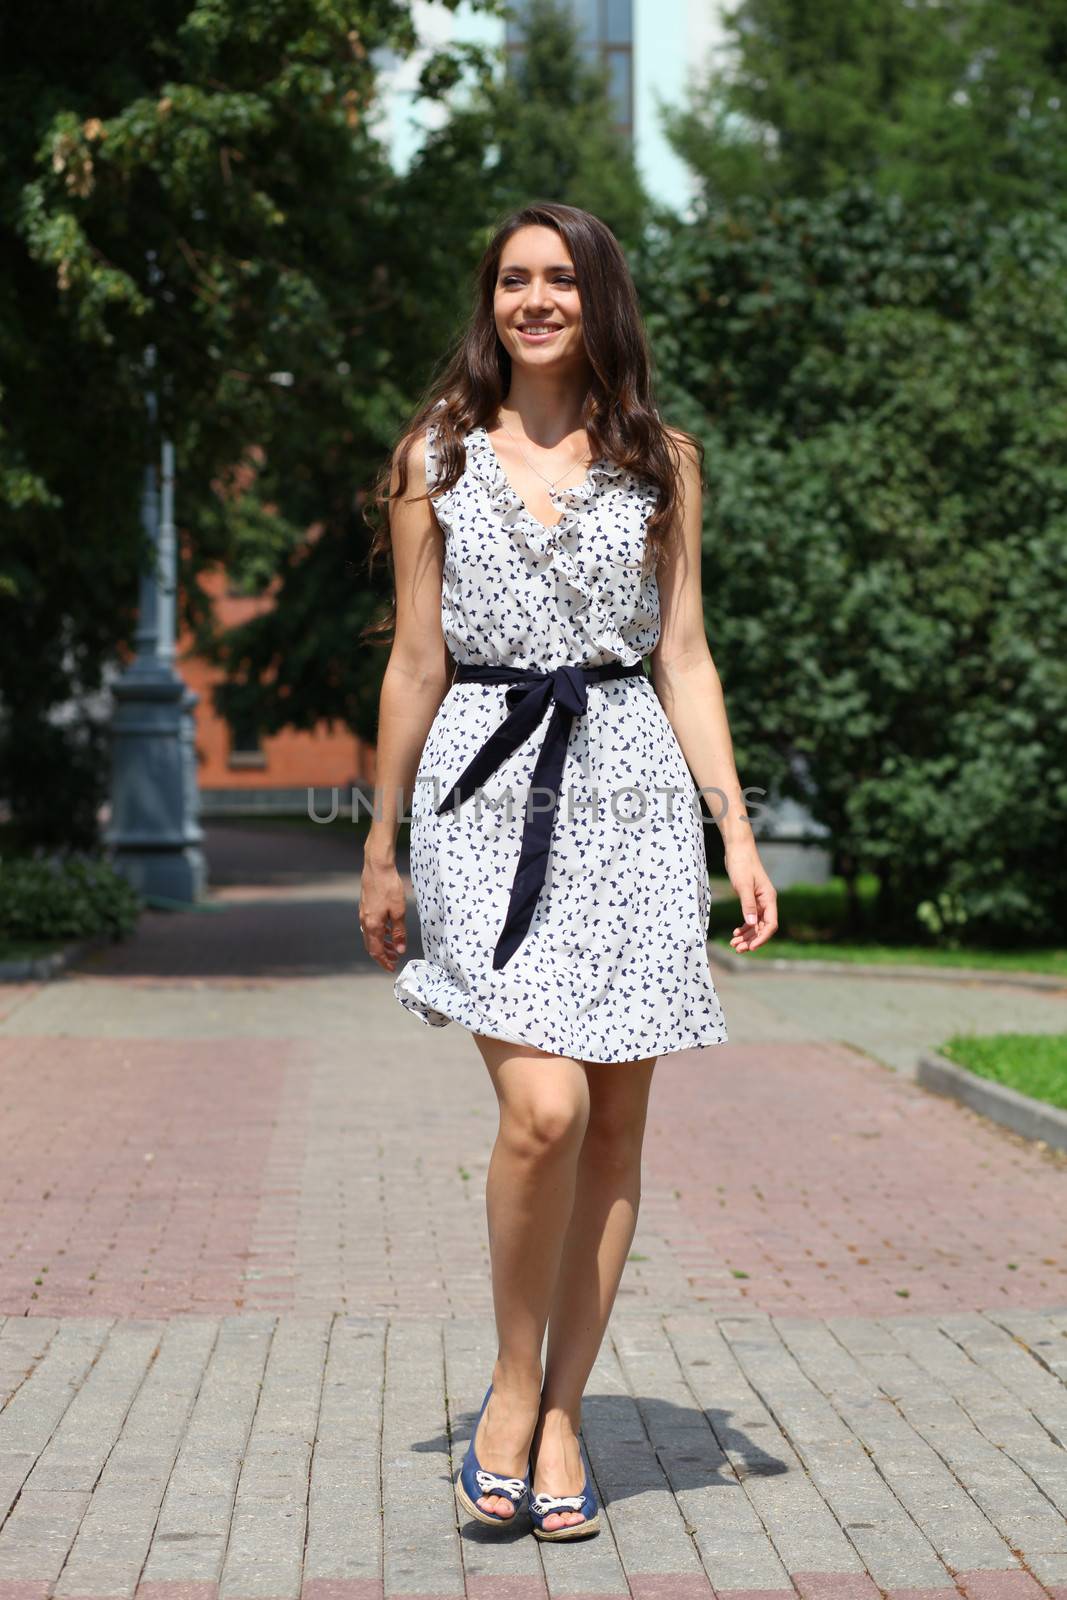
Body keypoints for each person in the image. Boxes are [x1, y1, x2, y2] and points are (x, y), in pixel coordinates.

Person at [358, 201, 778, 1541]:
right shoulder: (432, 457)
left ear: (600, 298)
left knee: (615, 1129)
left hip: (635, 794)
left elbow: (688, 656)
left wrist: (737, 827)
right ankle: (504, 1385)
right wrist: (378, 843)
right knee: (541, 1111)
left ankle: (560, 1419)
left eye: (560, 280)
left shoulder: (665, 462)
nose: (536, 300)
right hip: (484, 796)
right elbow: (416, 660)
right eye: (513, 280)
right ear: (489, 301)